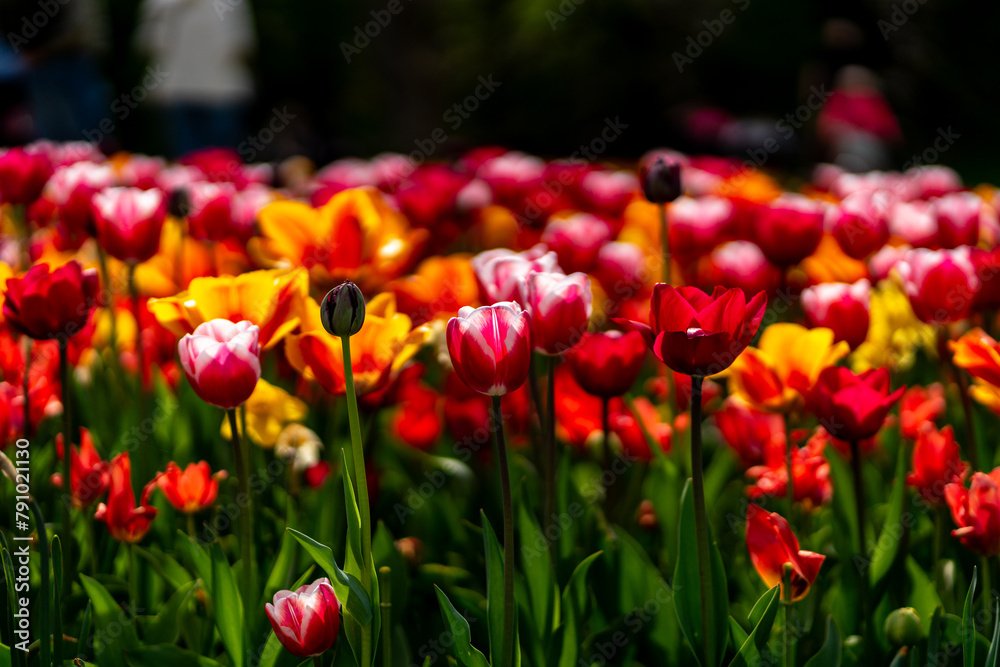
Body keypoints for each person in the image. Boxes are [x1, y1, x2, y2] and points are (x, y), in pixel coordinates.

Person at [135, 0, 256, 157]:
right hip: (184, 94)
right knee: (195, 163)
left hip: (217, 95)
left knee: (217, 161)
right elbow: (149, 41)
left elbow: (240, 42)